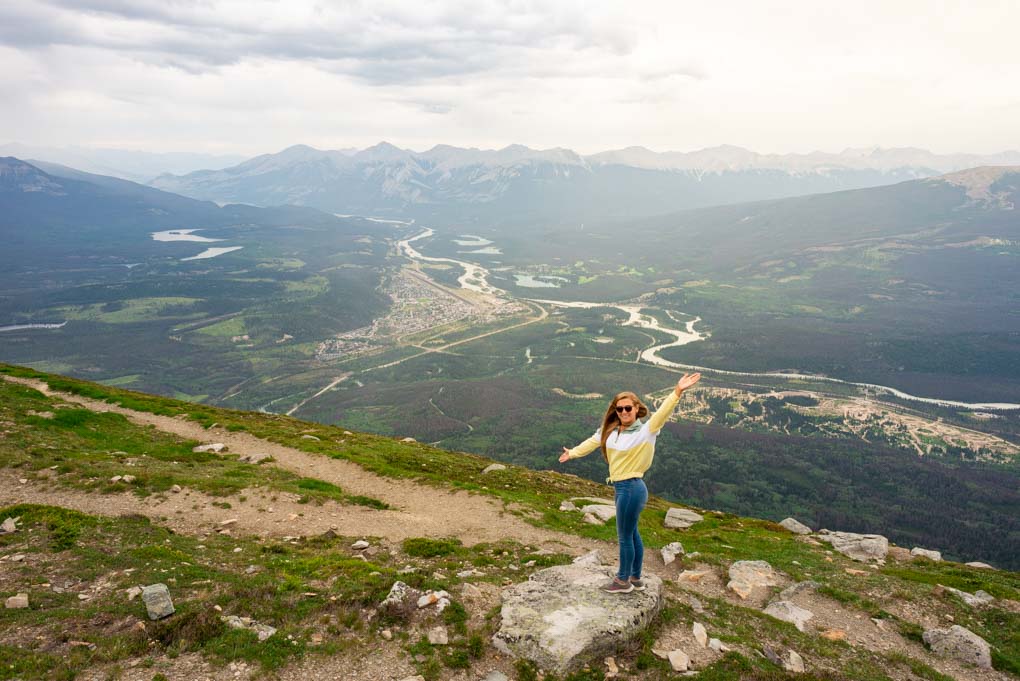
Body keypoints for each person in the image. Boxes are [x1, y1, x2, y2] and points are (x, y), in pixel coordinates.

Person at [559, 372, 702, 593]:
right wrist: (573, 453)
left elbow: (662, 414)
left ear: (637, 409)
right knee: (632, 533)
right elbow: (593, 441)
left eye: (628, 408)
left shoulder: (646, 431)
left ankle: (622, 580)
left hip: (631, 488)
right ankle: (635, 577)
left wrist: (677, 392)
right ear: (615, 411)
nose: (624, 412)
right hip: (624, 488)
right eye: (619, 408)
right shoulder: (611, 431)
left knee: (625, 537)